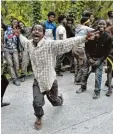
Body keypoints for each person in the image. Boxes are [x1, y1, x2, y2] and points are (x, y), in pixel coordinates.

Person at [15, 23, 88, 129]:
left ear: (43, 34)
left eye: (39, 30)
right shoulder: (29, 44)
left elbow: (66, 42)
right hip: (38, 81)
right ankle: (39, 117)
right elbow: (24, 41)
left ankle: (60, 99)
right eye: (34, 29)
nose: (36, 31)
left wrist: (85, 38)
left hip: (51, 80)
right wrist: (18, 35)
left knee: (56, 103)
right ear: (32, 33)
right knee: (37, 102)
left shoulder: (50, 45)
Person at [76, 19, 112, 99]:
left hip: (100, 59)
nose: (101, 26)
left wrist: (100, 61)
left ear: (106, 26)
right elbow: (86, 47)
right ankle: (83, 87)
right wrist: (89, 58)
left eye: (103, 24)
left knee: (98, 75)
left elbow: (107, 52)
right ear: (97, 25)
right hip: (89, 57)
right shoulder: (91, 34)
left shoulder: (108, 37)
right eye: (100, 24)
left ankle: (97, 91)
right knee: (85, 73)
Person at [73, 17, 94, 84]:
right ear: (86, 22)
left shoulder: (77, 27)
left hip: (74, 48)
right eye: (89, 22)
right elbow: (95, 30)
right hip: (80, 49)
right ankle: (77, 80)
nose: (90, 23)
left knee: (77, 64)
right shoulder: (85, 28)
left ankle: (76, 78)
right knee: (83, 65)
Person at [2, 18, 21, 86]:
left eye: (16, 22)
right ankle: (14, 79)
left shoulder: (18, 30)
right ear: (11, 22)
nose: (15, 23)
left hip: (15, 48)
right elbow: (2, 24)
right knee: (10, 64)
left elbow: (18, 41)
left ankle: (17, 75)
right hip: (7, 48)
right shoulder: (7, 28)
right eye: (13, 22)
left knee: (16, 63)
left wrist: (19, 51)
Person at [105, 25, 113, 96]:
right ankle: (109, 89)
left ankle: (108, 83)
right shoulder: (108, 33)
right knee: (109, 71)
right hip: (110, 56)